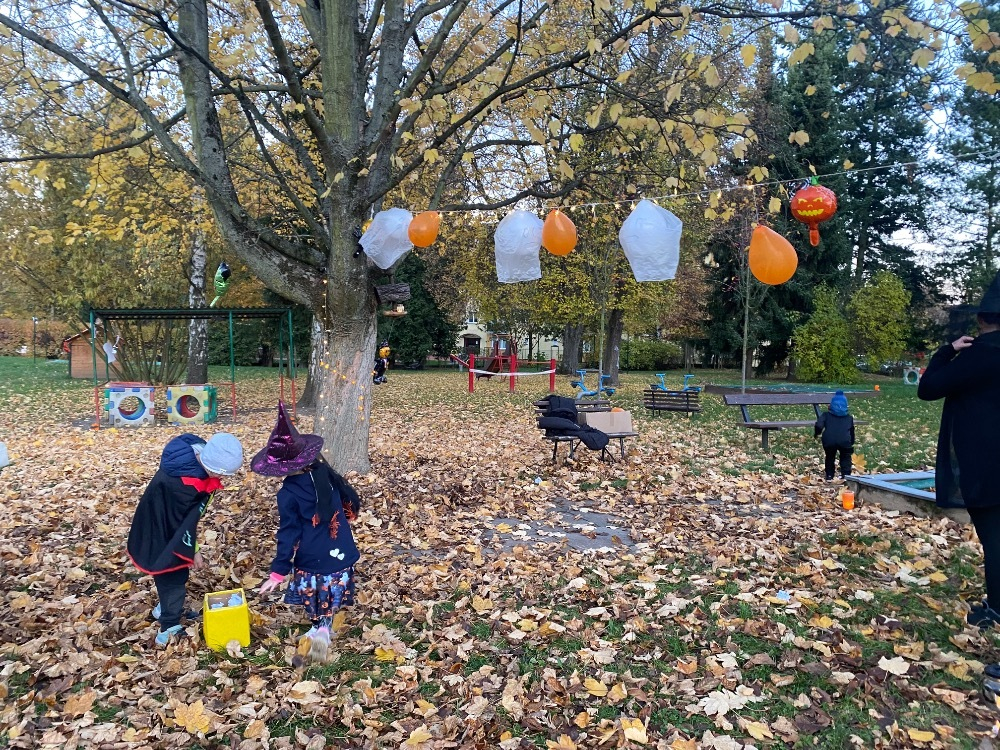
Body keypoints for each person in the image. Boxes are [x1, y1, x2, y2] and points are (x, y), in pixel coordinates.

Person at [918, 270, 1000, 628]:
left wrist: (946, 351)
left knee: (995, 535)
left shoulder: (980, 356)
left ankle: (996, 608)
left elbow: (929, 388)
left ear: (982, 319)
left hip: (985, 461)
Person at [254, 402, 360, 662]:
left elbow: (288, 534)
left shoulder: (288, 493)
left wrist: (278, 572)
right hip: (339, 549)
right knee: (329, 588)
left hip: (311, 556)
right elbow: (349, 500)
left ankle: (320, 629)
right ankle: (324, 625)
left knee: (315, 590)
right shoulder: (325, 472)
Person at [127, 432, 244, 646]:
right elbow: (180, 523)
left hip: (167, 522)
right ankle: (168, 628)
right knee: (172, 570)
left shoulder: (194, 452)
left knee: (175, 571)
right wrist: (193, 550)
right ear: (210, 466)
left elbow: (187, 519)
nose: (223, 480)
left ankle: (164, 607)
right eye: (221, 474)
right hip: (161, 530)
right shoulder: (183, 485)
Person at [814, 390, 855, 480]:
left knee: (830, 456)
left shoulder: (826, 415)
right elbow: (851, 431)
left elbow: (819, 425)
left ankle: (829, 475)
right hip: (845, 440)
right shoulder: (849, 418)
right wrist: (851, 441)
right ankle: (846, 475)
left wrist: (817, 433)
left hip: (829, 440)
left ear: (831, 405)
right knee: (845, 457)